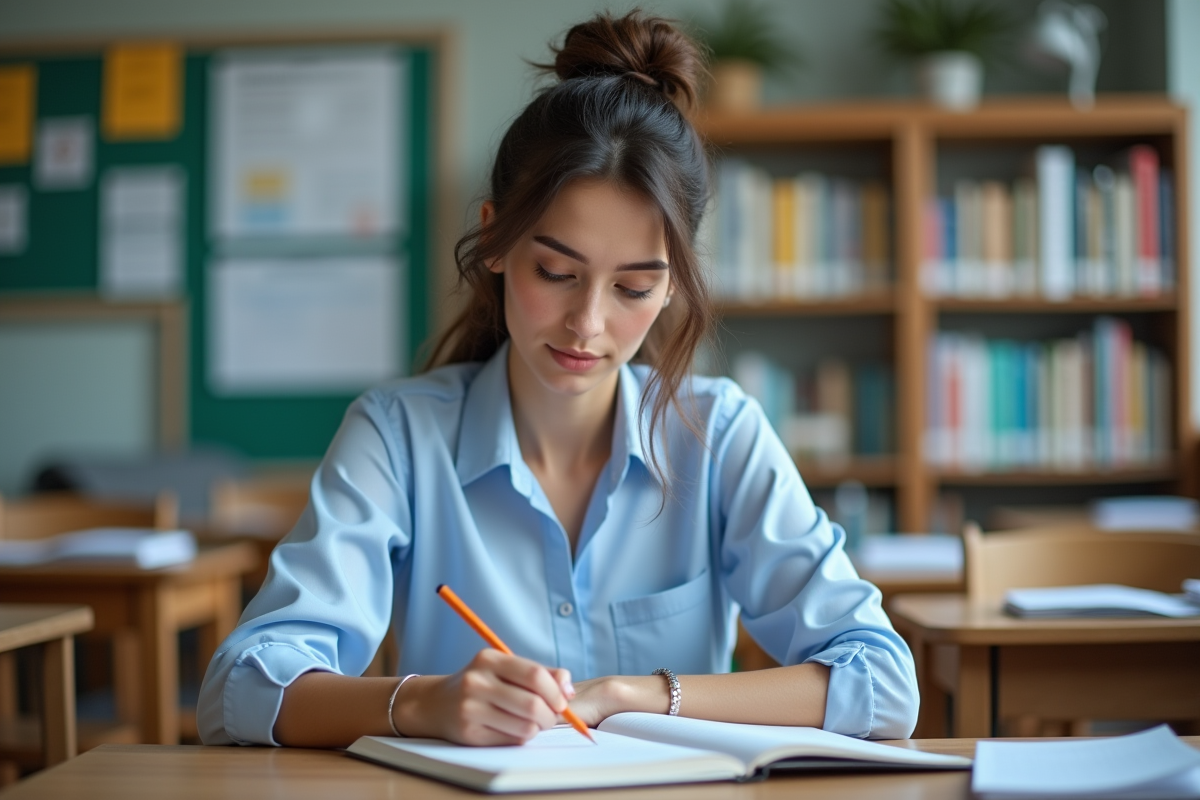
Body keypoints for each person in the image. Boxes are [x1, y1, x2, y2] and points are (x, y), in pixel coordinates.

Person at [197, 10, 918, 749]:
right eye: (556, 272)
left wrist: (635, 695)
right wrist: (417, 705)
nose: (587, 324)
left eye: (634, 288)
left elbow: (884, 684)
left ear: (672, 287)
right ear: (496, 242)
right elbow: (240, 686)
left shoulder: (719, 434)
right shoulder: (398, 436)